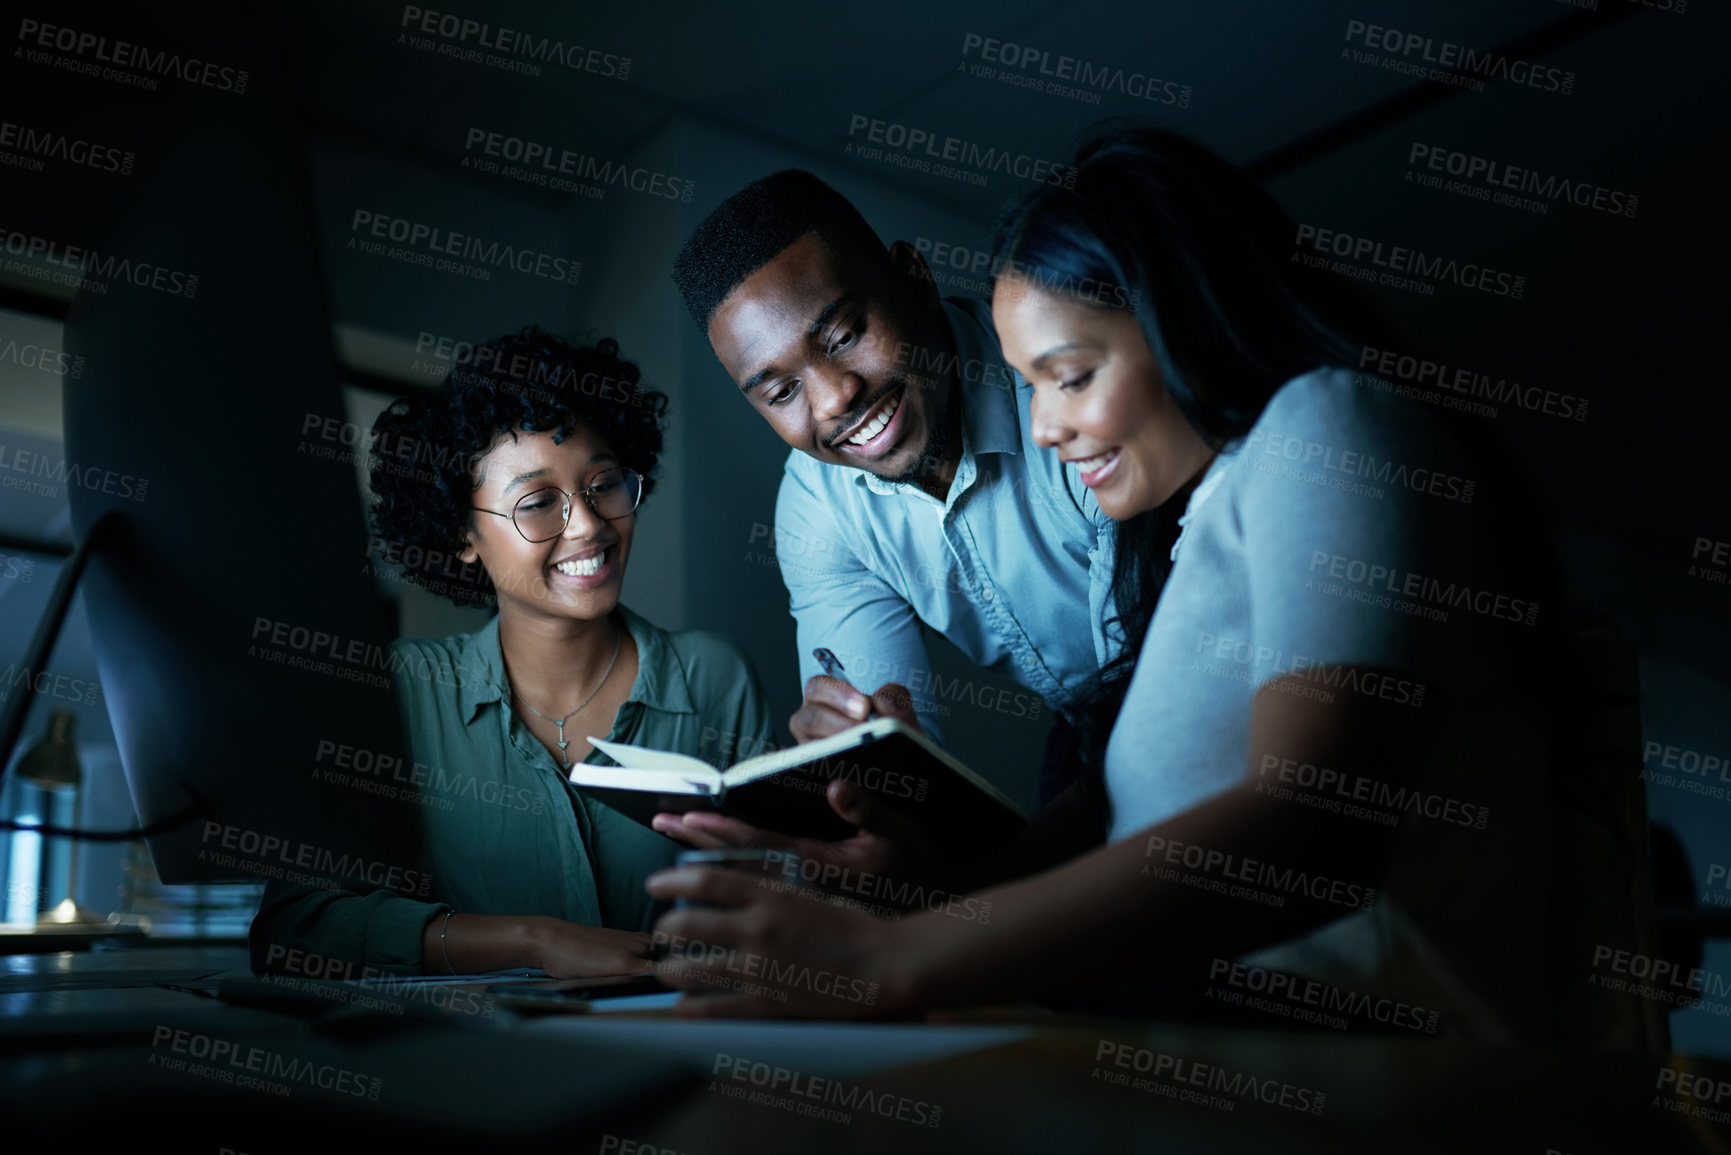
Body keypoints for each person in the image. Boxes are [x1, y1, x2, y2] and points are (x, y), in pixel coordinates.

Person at [644, 128, 1582, 1042]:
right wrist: (887, 877)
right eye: (1026, 384)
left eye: (1070, 375)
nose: (1041, 430)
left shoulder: (1323, 427)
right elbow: (1100, 814)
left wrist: (892, 959)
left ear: (1176, 316)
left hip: (1354, 1049)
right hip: (1207, 1011)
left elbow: (1313, 830)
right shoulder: (1211, 507)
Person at [248, 328, 775, 978]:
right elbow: (297, 926)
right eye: (537, 503)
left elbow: (771, 909)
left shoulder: (713, 679)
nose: (587, 525)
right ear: (461, 534)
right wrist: (529, 939)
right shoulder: (401, 691)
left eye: (603, 484)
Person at [665, 171, 1118, 788]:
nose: (832, 400)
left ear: (914, 278)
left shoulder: (1060, 379)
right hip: (1086, 728)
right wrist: (865, 764)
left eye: (845, 336)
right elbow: (895, 756)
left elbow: (1170, 695)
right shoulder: (815, 504)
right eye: (780, 391)